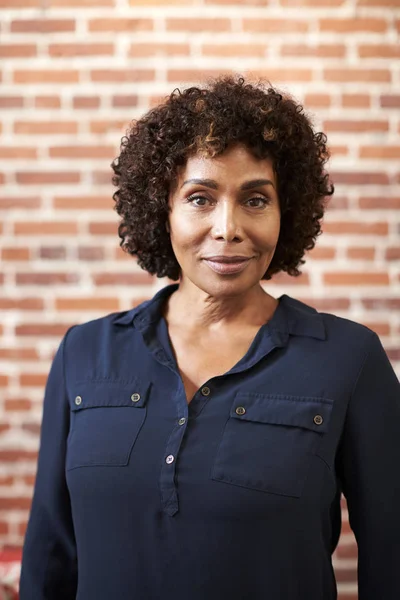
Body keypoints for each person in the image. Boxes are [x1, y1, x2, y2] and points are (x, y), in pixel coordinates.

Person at [19, 74, 400, 600]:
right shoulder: (83, 354)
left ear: (286, 211)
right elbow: (49, 560)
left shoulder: (349, 360)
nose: (228, 228)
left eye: (256, 200)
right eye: (200, 198)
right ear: (163, 210)